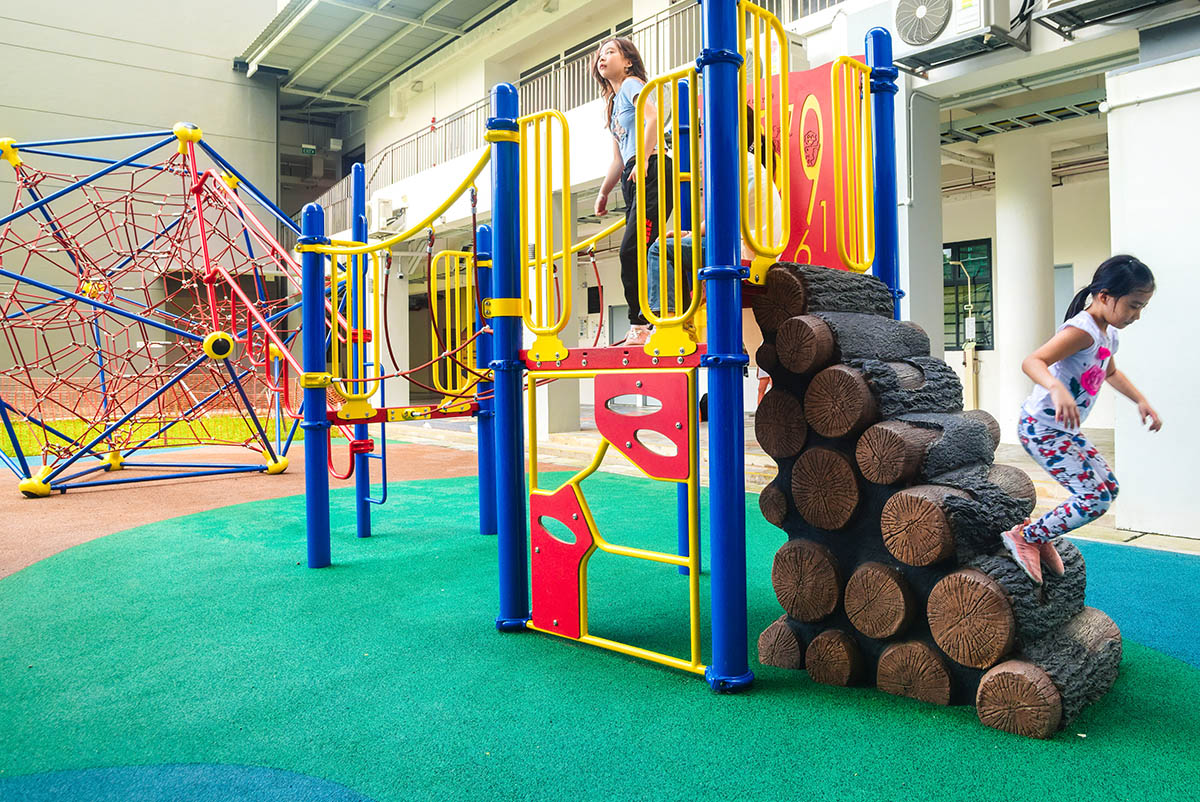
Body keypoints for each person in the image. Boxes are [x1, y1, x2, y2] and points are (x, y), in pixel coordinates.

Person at [1001, 255, 1161, 584]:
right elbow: (1033, 361)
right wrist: (1056, 387)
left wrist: (1140, 400)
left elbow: (1111, 372)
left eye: (1142, 307)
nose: (1137, 315)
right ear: (1104, 296)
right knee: (1094, 499)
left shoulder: (1107, 334)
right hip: (1041, 428)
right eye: (1133, 305)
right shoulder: (1082, 330)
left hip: (1065, 430)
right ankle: (1028, 536)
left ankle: (1039, 534)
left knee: (1109, 489)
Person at [645, 106, 783, 324]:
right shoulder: (750, 162)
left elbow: (721, 218)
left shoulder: (736, 161)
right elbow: (726, 216)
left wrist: (689, 235)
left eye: (704, 128)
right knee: (680, 249)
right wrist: (689, 234)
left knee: (660, 249)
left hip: (743, 249)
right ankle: (681, 316)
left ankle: (669, 323)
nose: (704, 134)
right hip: (761, 248)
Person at [592, 37, 672, 346]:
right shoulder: (612, 105)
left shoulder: (631, 84)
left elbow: (652, 115)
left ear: (627, 61)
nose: (603, 57)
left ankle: (644, 323)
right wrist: (603, 192)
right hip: (631, 171)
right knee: (638, 249)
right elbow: (617, 158)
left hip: (650, 166)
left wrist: (646, 155)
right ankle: (645, 322)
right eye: (600, 54)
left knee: (632, 249)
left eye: (610, 52)